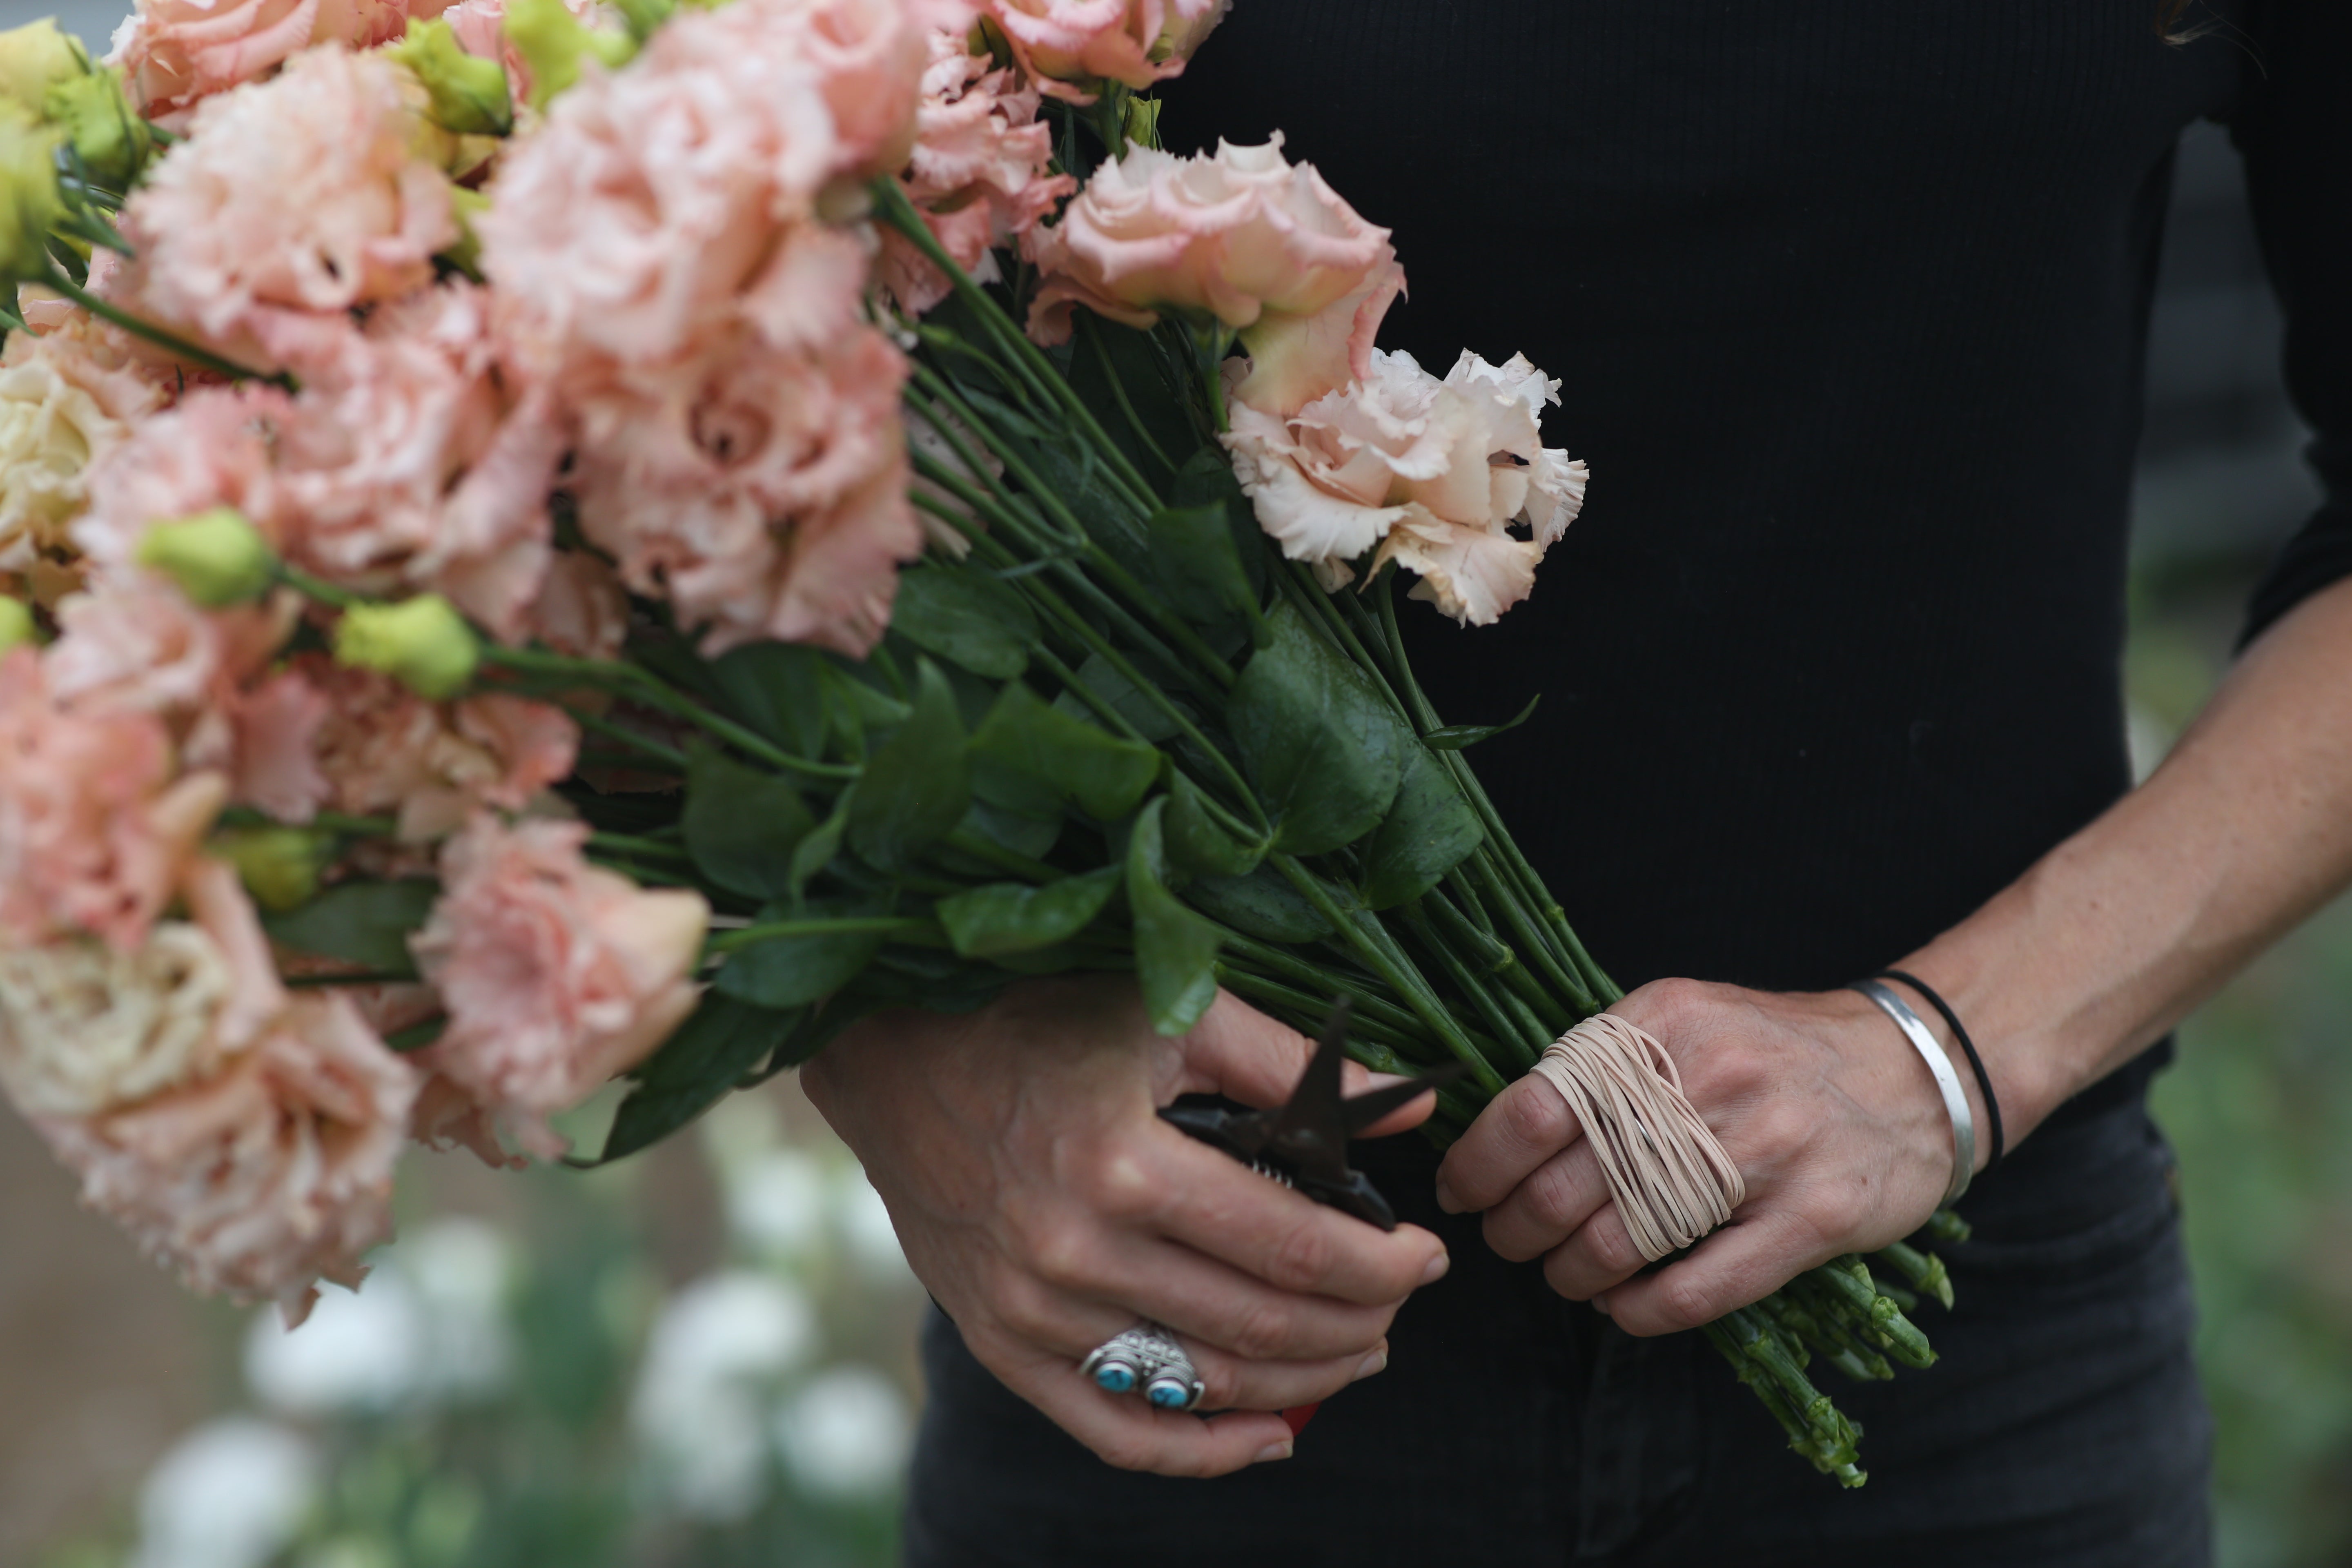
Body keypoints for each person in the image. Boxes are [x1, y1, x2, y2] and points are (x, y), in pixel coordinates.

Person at [802, 3, 2352, 1562]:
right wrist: (901, 1046)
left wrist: (1946, 1055)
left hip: (1964, 1346)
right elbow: (615, 335)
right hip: (1200, 1305)